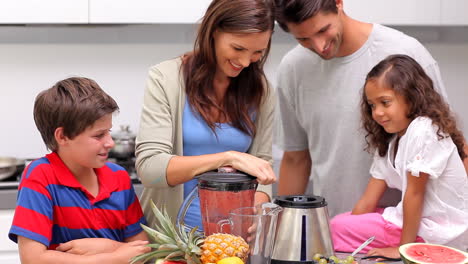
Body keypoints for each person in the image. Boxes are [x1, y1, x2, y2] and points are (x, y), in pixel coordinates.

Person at [272, 0, 459, 217]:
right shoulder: (293, 69)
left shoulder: (406, 52)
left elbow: (449, 142)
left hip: (404, 232)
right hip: (334, 229)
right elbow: (296, 158)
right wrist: (278, 223)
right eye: (303, 39)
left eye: (324, 30)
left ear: (338, 3)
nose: (319, 46)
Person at [135, 0, 276, 229]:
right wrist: (227, 157)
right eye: (238, 48)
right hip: (172, 242)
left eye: (257, 52)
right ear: (213, 32)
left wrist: (256, 211)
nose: (245, 62)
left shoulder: (261, 91)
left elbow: (263, 166)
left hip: (232, 243)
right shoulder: (166, 79)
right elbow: (150, 169)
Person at [331, 54, 468, 258]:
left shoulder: (423, 130)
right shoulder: (392, 140)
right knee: (340, 222)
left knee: (335, 228)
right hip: (412, 218)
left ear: (412, 97)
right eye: (372, 105)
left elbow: (415, 193)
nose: (376, 113)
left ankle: (417, 247)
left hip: (439, 230)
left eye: (385, 103)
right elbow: (368, 201)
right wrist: (353, 223)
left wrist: (403, 250)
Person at [9, 77, 150, 264]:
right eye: (99, 135)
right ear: (63, 136)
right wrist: (116, 256)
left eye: (109, 132)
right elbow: (33, 259)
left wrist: (106, 246)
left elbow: (144, 250)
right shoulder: (40, 176)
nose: (110, 142)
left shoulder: (119, 177)